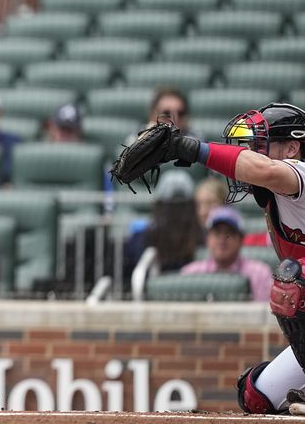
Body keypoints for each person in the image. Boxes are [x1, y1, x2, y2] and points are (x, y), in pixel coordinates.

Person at [156, 102, 305, 414]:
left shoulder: (300, 172)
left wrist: (190, 149)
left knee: (294, 281)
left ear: (292, 147)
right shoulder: (277, 200)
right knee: (256, 396)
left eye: (261, 146)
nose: (252, 154)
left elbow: (264, 170)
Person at [180, 206, 273, 302]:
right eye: (217, 232)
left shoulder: (260, 273)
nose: (222, 239)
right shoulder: (190, 274)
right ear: (207, 239)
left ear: (240, 240)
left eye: (229, 233)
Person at [123, 170, 201, 278]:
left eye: (182, 207)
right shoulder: (142, 239)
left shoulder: (205, 238)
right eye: (171, 207)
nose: (177, 214)